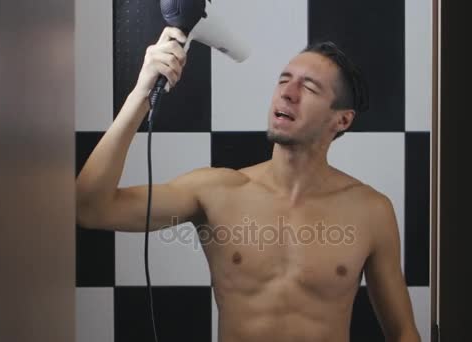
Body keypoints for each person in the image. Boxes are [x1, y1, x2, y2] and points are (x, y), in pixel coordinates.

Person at [76, 27, 421, 342]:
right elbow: (91, 208)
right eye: (283, 80)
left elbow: (404, 332)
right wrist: (142, 92)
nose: (288, 93)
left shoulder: (370, 210)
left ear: (342, 119)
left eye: (309, 87)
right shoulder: (218, 192)